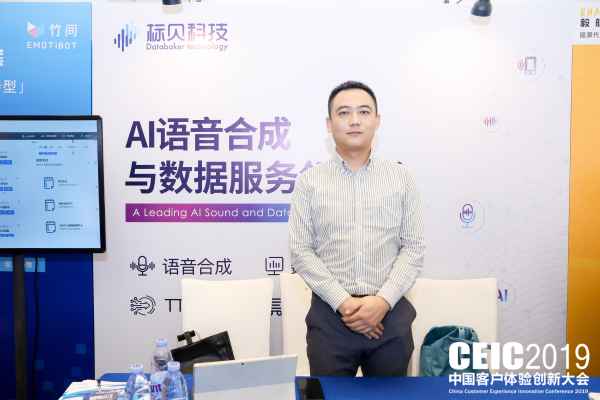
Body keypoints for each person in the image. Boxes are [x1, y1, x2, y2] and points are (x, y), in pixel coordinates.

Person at [288, 81, 426, 377]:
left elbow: (414, 247)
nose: (354, 120)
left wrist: (383, 301)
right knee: (328, 396)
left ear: (377, 121)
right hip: (330, 319)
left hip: (390, 317)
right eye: (344, 113)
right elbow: (301, 251)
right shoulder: (309, 182)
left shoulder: (401, 177)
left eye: (363, 112)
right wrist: (344, 303)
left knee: (391, 398)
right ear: (329, 123)